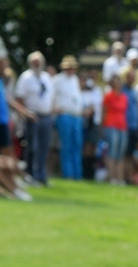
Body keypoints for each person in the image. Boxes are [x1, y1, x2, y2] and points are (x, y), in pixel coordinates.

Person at [14, 51, 54, 185]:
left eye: (39, 62)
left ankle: (41, 175)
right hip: (32, 116)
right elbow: (20, 98)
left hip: (46, 116)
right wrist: (26, 114)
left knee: (44, 147)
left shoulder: (46, 77)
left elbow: (50, 96)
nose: (37, 64)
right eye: (34, 62)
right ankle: (30, 174)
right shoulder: (25, 78)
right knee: (32, 147)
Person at [52, 56, 85, 179]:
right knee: (66, 146)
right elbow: (51, 95)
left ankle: (77, 174)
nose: (70, 70)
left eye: (72, 68)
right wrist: (55, 107)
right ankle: (68, 173)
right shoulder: (57, 80)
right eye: (68, 68)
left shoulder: (75, 79)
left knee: (77, 145)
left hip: (76, 116)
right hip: (65, 115)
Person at [101, 73, 129, 185]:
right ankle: (112, 177)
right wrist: (102, 127)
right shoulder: (108, 96)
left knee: (120, 153)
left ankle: (119, 178)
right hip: (111, 125)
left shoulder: (123, 97)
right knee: (112, 152)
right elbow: (104, 112)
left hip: (122, 126)